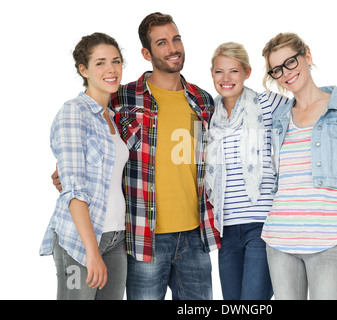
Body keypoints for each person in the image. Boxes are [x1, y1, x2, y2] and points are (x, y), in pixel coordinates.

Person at [52, 12, 220, 300]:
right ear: (146, 52)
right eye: (162, 43)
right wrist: (65, 173)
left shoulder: (202, 99)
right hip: (144, 234)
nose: (173, 48)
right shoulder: (123, 98)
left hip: (195, 235)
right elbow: (86, 138)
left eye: (176, 39)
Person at [260, 32, 337, 300]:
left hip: (329, 240)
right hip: (280, 241)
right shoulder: (279, 119)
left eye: (291, 62)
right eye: (276, 70)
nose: (286, 74)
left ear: (308, 56)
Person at [40, 33, 128, 300]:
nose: (111, 69)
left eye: (116, 61)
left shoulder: (112, 116)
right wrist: (90, 251)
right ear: (83, 69)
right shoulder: (73, 113)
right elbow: (74, 190)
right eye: (100, 63)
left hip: (116, 238)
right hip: (81, 240)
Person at [205, 42, 289, 300]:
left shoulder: (268, 103)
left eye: (234, 71)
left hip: (262, 225)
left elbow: (307, 107)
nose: (226, 79)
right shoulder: (211, 113)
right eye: (219, 72)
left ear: (247, 73)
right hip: (226, 228)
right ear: (212, 74)